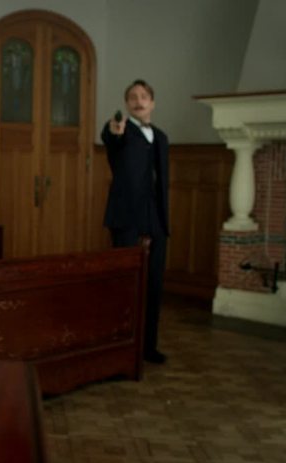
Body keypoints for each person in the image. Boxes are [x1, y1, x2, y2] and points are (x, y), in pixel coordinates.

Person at [102, 79, 169, 364]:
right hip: (126, 216)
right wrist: (115, 130)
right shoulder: (120, 130)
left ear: (152, 103)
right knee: (125, 283)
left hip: (156, 217)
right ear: (127, 104)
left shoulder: (161, 137)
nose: (138, 101)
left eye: (143, 96)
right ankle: (120, 347)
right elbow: (111, 137)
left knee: (153, 284)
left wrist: (162, 220)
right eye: (132, 97)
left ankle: (148, 347)